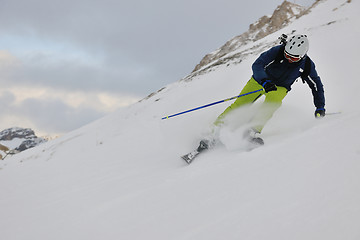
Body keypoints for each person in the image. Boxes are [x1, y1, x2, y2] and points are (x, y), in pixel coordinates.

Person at [199, 34, 325, 151]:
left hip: (280, 87)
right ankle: (214, 132)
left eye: (294, 57)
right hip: (261, 80)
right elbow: (258, 64)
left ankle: (250, 132)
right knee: (241, 103)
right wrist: (264, 80)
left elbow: (316, 85)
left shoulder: (307, 66)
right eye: (287, 55)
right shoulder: (277, 51)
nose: (289, 58)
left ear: (302, 56)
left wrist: (320, 107)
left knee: (273, 103)